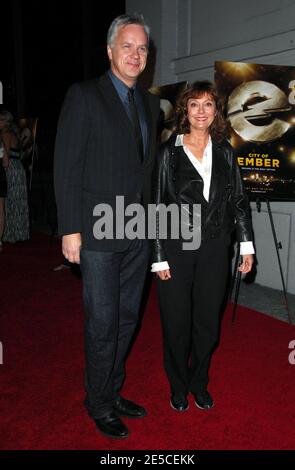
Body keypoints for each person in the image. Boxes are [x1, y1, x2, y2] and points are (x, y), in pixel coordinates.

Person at [54, 14, 159, 439]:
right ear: (110, 51)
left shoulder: (151, 104)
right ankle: (97, 402)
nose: (135, 55)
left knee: (128, 318)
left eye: (143, 49)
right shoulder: (84, 96)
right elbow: (67, 165)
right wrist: (70, 229)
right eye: (128, 46)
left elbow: (145, 172)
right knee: (102, 321)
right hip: (96, 231)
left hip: (137, 229)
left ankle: (112, 391)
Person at [152, 80, 254, 412]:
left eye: (208, 104)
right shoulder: (169, 151)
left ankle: (199, 382)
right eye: (194, 104)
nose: (201, 111)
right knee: (177, 323)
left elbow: (238, 202)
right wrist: (158, 257)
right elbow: (155, 206)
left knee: (208, 324)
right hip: (176, 249)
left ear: (216, 112)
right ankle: (178, 385)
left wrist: (246, 246)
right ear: (185, 109)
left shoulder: (226, 151)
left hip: (215, 248)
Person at [0, 110, 30, 243]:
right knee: (17, 200)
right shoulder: (14, 133)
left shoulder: (5, 133)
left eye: (0, 120)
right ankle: (19, 233)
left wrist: (3, 169)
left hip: (10, 169)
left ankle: (9, 234)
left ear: (7, 122)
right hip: (18, 168)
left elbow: (5, 157)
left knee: (8, 201)